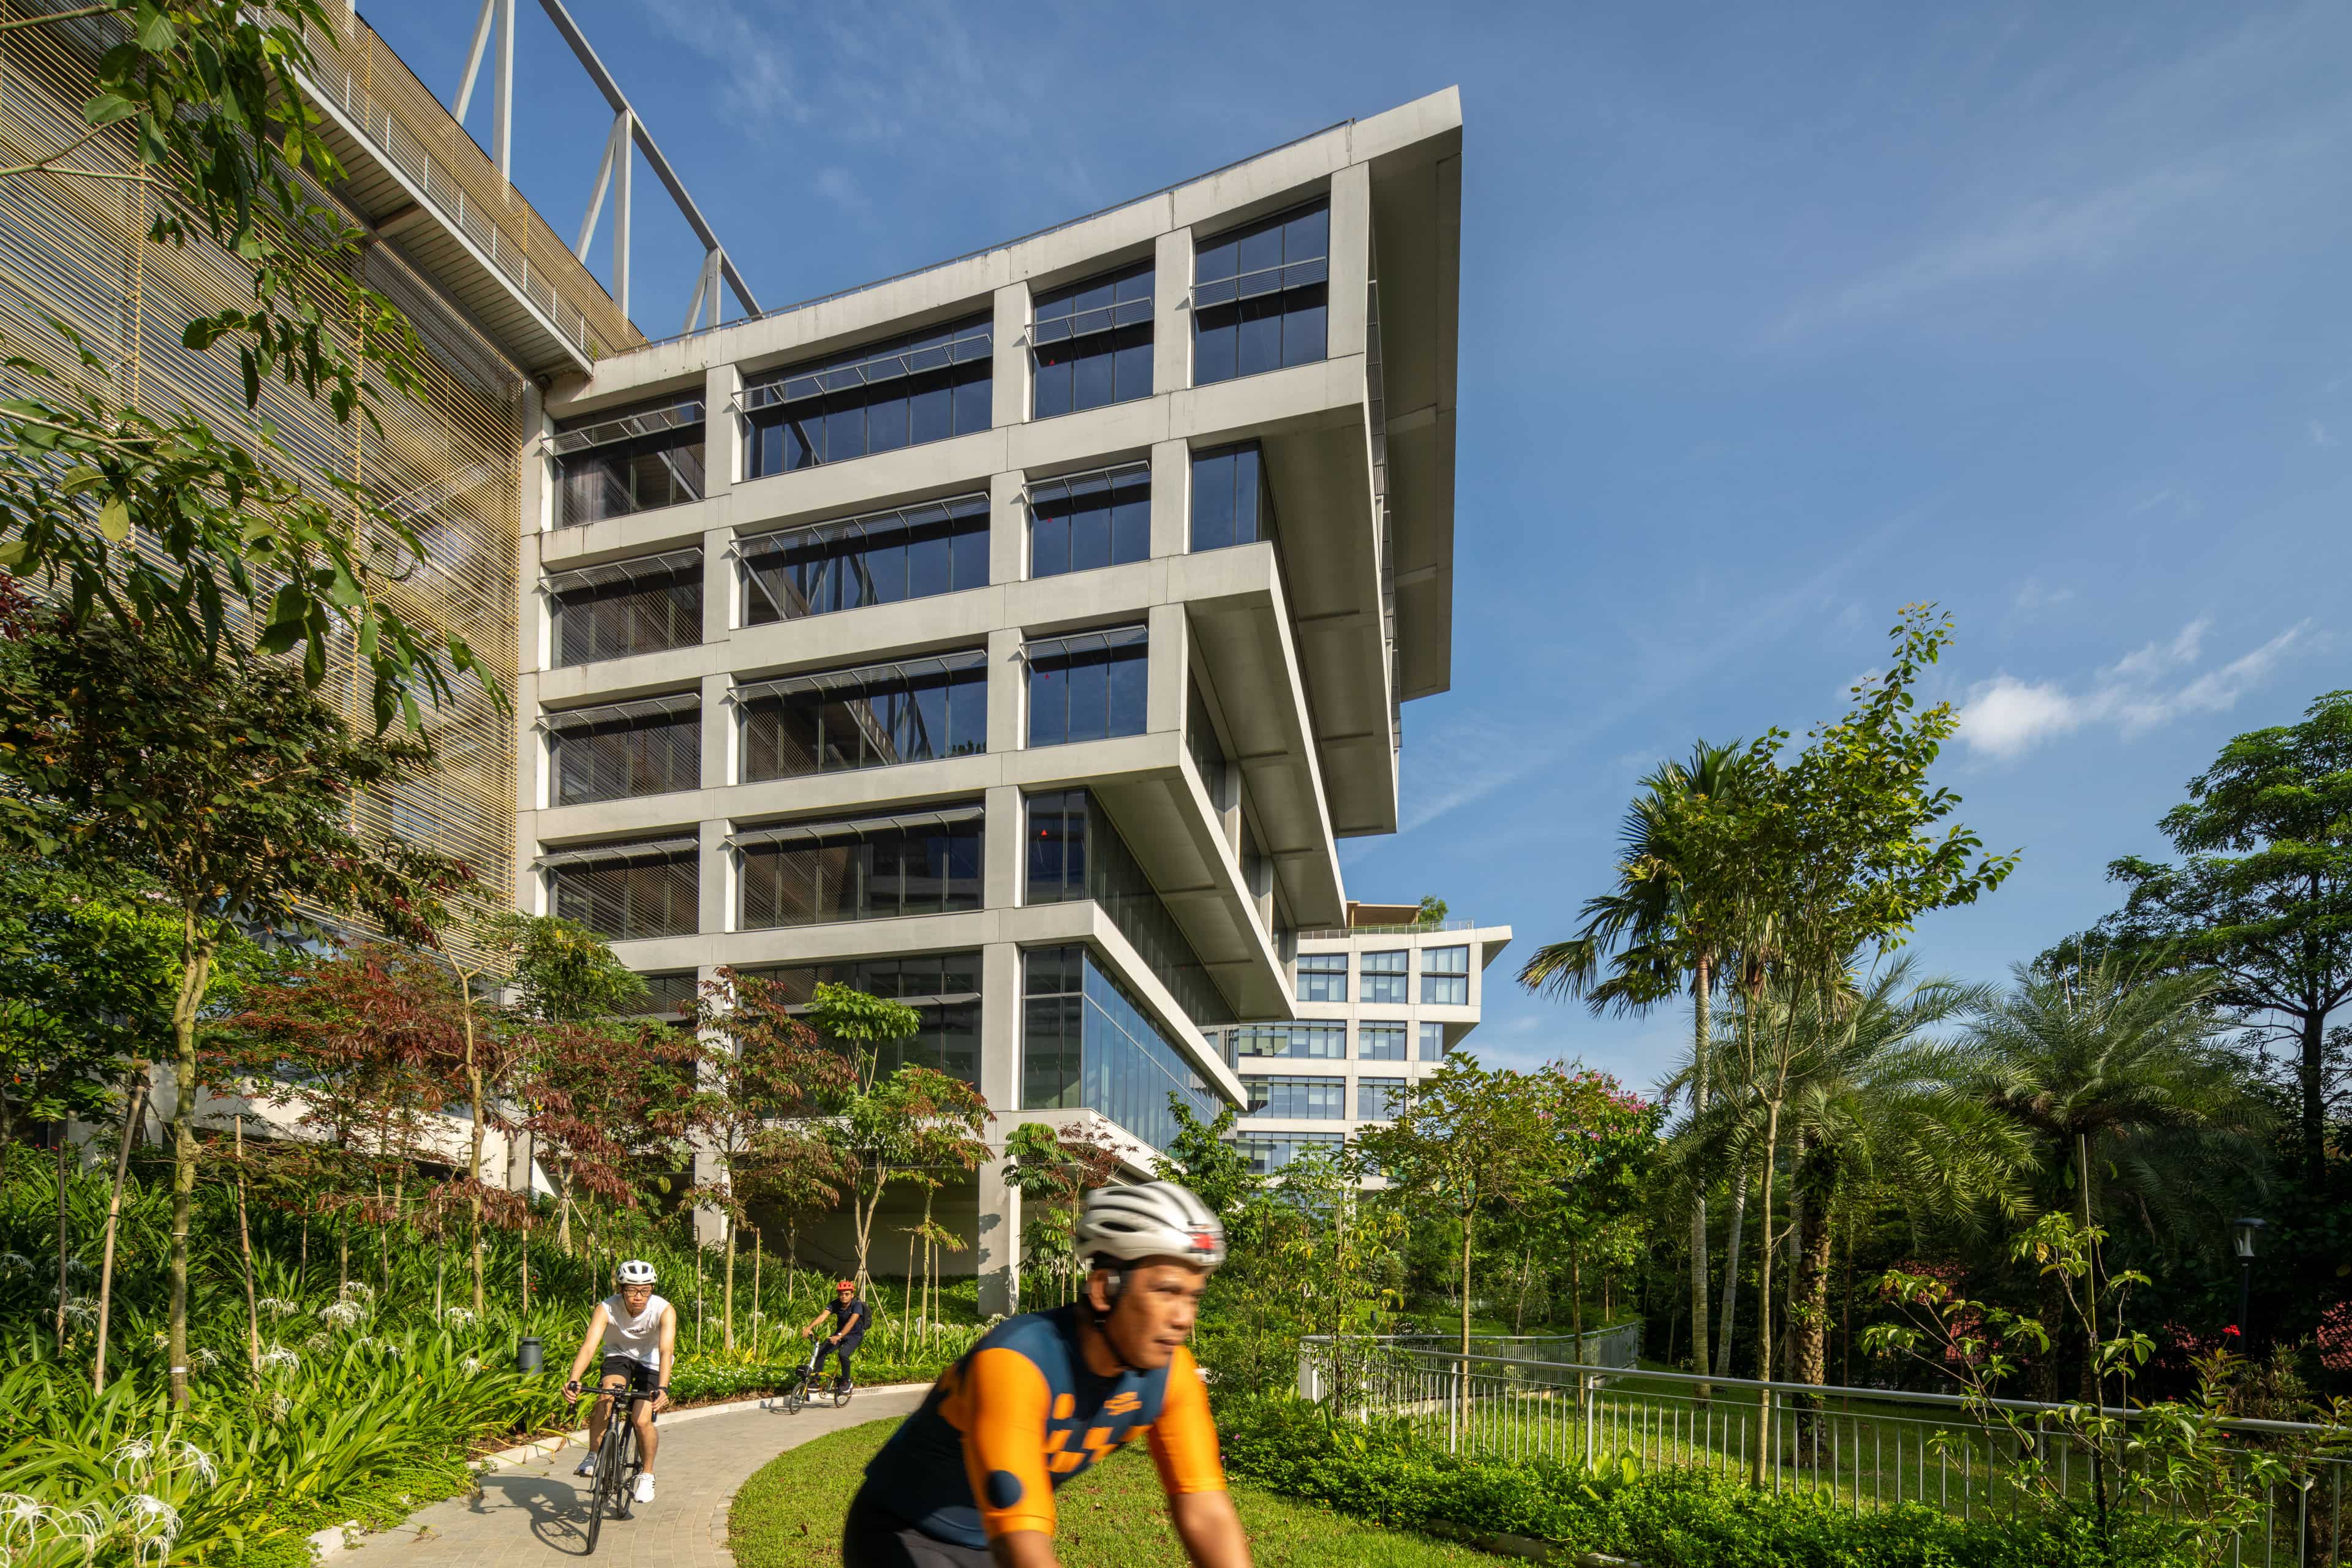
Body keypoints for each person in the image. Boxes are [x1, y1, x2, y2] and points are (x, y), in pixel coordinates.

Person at [845, 1182, 1251, 1568]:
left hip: (988, 1544)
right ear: (1102, 1290)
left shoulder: (1171, 1373)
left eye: (1193, 1296)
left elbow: (1205, 1508)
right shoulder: (1018, 1361)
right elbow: (1020, 1547)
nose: (1185, 1319)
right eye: (1165, 1291)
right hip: (904, 1530)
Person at [562, 1259, 676, 1507]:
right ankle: (593, 1455)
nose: (639, 1296)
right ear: (621, 1289)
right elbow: (590, 1346)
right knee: (606, 1397)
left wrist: (663, 1389)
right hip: (618, 1355)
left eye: (646, 1290)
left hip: (652, 1362)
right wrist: (574, 1379)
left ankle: (647, 1474)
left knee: (641, 1419)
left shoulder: (663, 1309)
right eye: (632, 1290)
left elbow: (666, 1350)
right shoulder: (606, 1308)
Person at [802, 1277, 870, 1393]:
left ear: (852, 1295)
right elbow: (823, 1316)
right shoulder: (836, 1303)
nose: (844, 1296)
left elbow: (851, 1322)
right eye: (841, 1294)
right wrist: (809, 1327)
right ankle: (815, 1381)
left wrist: (839, 1336)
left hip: (854, 1335)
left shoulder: (857, 1305)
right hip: (839, 1333)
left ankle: (846, 1381)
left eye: (847, 1294)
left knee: (843, 1354)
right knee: (821, 1351)